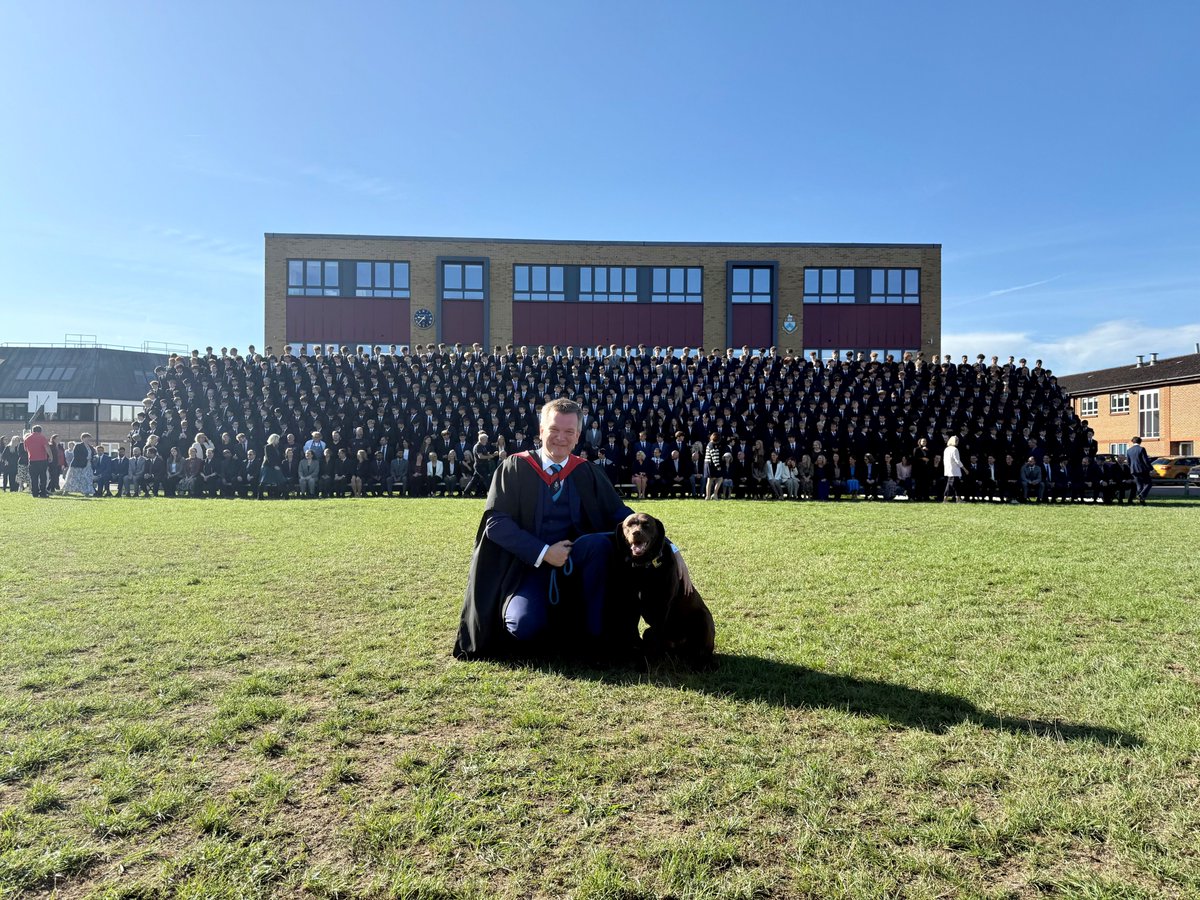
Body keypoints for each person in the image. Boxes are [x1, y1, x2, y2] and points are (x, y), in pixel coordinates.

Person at [453, 397, 691, 661]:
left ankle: (591, 633)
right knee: (523, 626)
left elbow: (624, 515)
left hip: (578, 566)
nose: (561, 438)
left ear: (578, 436)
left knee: (600, 545)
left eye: (569, 432)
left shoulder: (586, 472)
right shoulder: (515, 467)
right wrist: (543, 552)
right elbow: (496, 524)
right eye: (554, 430)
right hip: (527, 567)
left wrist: (670, 545)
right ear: (541, 431)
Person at [23, 425, 51, 498]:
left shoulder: (27, 438)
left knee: (34, 478)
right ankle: (43, 493)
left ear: (33, 430)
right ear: (40, 431)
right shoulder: (42, 437)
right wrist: (51, 456)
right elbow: (47, 447)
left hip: (32, 460)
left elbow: (26, 449)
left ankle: (34, 493)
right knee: (43, 477)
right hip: (42, 460)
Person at [1126, 436, 1153, 505]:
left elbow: (1128, 462)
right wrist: (1151, 468)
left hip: (1133, 470)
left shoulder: (1129, 450)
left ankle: (1142, 501)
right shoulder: (1141, 449)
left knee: (1139, 485)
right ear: (1140, 442)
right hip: (1142, 470)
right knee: (1149, 483)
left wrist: (1131, 469)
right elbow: (1145, 460)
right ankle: (1142, 495)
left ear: (1133, 441)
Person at [942, 435, 964, 502]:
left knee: (956, 485)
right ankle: (945, 499)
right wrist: (964, 468)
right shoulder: (955, 449)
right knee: (950, 485)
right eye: (956, 440)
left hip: (949, 469)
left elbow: (944, 460)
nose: (957, 442)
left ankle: (958, 499)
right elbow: (957, 460)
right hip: (954, 470)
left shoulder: (946, 449)